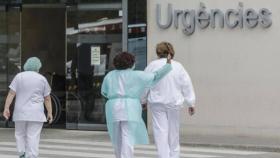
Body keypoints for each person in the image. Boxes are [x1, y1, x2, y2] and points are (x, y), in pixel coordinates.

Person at [101, 52, 172, 158]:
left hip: (113, 106)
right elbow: (155, 76)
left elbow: (104, 92)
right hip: (130, 107)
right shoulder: (137, 75)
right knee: (127, 136)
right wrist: (168, 65)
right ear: (131, 63)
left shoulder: (109, 75)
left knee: (116, 138)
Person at [141, 42, 196, 158]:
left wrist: (143, 100)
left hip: (157, 104)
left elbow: (145, 84)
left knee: (161, 133)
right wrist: (191, 103)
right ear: (171, 51)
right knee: (174, 134)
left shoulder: (152, 66)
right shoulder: (178, 66)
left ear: (158, 52)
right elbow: (186, 84)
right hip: (174, 103)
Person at [2, 57, 53, 158]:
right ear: (38, 67)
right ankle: (32, 156)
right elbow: (47, 98)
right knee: (33, 136)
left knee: (19, 134)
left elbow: (11, 93)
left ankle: (22, 153)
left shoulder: (19, 77)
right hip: (36, 113)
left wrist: (6, 108)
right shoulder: (42, 79)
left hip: (20, 112)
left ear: (26, 65)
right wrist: (50, 113)